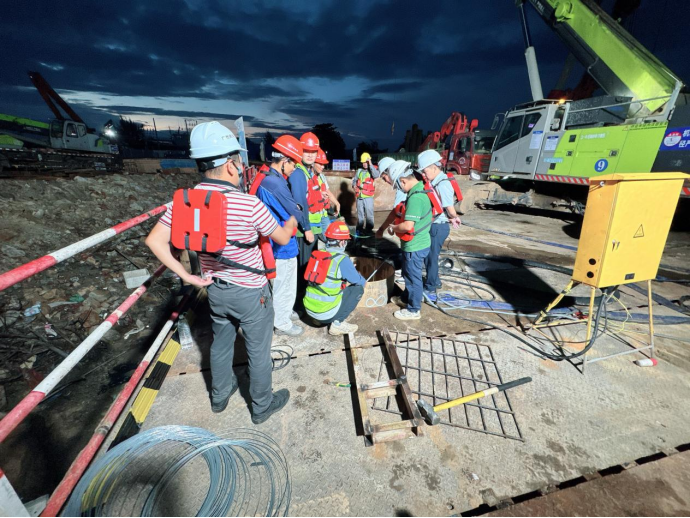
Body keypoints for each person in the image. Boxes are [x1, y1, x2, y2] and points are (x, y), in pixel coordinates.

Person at [146, 121, 295, 424]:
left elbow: (154, 241)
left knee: (221, 343)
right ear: (230, 165)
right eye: (239, 162)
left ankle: (219, 397)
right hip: (251, 293)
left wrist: (187, 276)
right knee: (258, 351)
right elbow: (281, 238)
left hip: (215, 288)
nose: (241, 168)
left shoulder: (184, 203)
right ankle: (262, 406)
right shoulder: (249, 205)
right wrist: (291, 223)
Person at [255, 135, 307, 336]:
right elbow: (296, 213)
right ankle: (282, 324)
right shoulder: (275, 184)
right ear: (284, 161)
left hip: (278, 241)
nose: (295, 168)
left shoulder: (269, 178)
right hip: (281, 245)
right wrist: (298, 210)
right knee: (284, 284)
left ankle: (284, 312)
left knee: (284, 284)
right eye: (294, 164)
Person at [385, 164, 432, 320]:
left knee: (413, 278)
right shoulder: (418, 190)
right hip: (416, 244)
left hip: (415, 246)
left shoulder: (416, 198)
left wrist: (393, 227)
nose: (399, 189)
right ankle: (406, 299)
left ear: (403, 181)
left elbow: (407, 226)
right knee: (408, 274)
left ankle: (413, 310)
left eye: (398, 186)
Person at [303, 220, 367, 335]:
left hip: (310, 310)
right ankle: (337, 324)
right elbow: (360, 281)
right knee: (357, 289)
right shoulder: (342, 259)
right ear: (342, 242)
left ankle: (317, 320)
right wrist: (351, 271)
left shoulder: (317, 254)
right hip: (325, 314)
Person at [417, 150, 462, 302]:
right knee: (429, 256)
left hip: (438, 227)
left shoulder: (443, 184)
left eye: (425, 170)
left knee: (431, 258)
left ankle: (430, 286)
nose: (424, 174)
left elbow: (449, 207)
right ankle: (435, 281)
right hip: (435, 224)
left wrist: (454, 217)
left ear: (434, 167)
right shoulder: (436, 182)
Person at [288, 132, 327, 277]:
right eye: (306, 151)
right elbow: (299, 202)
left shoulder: (308, 172)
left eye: (313, 152)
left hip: (312, 228)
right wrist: (306, 229)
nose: (310, 155)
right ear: (300, 151)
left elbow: (308, 197)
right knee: (304, 269)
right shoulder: (299, 173)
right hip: (305, 230)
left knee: (310, 267)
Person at [375, 160, 410, 238]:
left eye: (384, 178)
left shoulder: (402, 188)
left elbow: (396, 212)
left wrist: (392, 227)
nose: (385, 181)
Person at [352, 152, 380, 236]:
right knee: (360, 214)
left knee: (369, 214)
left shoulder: (372, 170)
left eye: (366, 162)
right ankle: (359, 229)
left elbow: (376, 175)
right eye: (363, 162)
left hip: (368, 197)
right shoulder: (359, 171)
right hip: (359, 196)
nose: (364, 164)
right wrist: (354, 185)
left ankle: (369, 230)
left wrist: (370, 164)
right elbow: (355, 180)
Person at [314, 147, 340, 226]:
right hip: (313, 214)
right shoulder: (306, 176)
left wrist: (337, 203)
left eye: (323, 164)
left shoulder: (322, 176)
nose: (323, 167)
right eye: (320, 164)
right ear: (313, 162)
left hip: (324, 213)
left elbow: (328, 192)